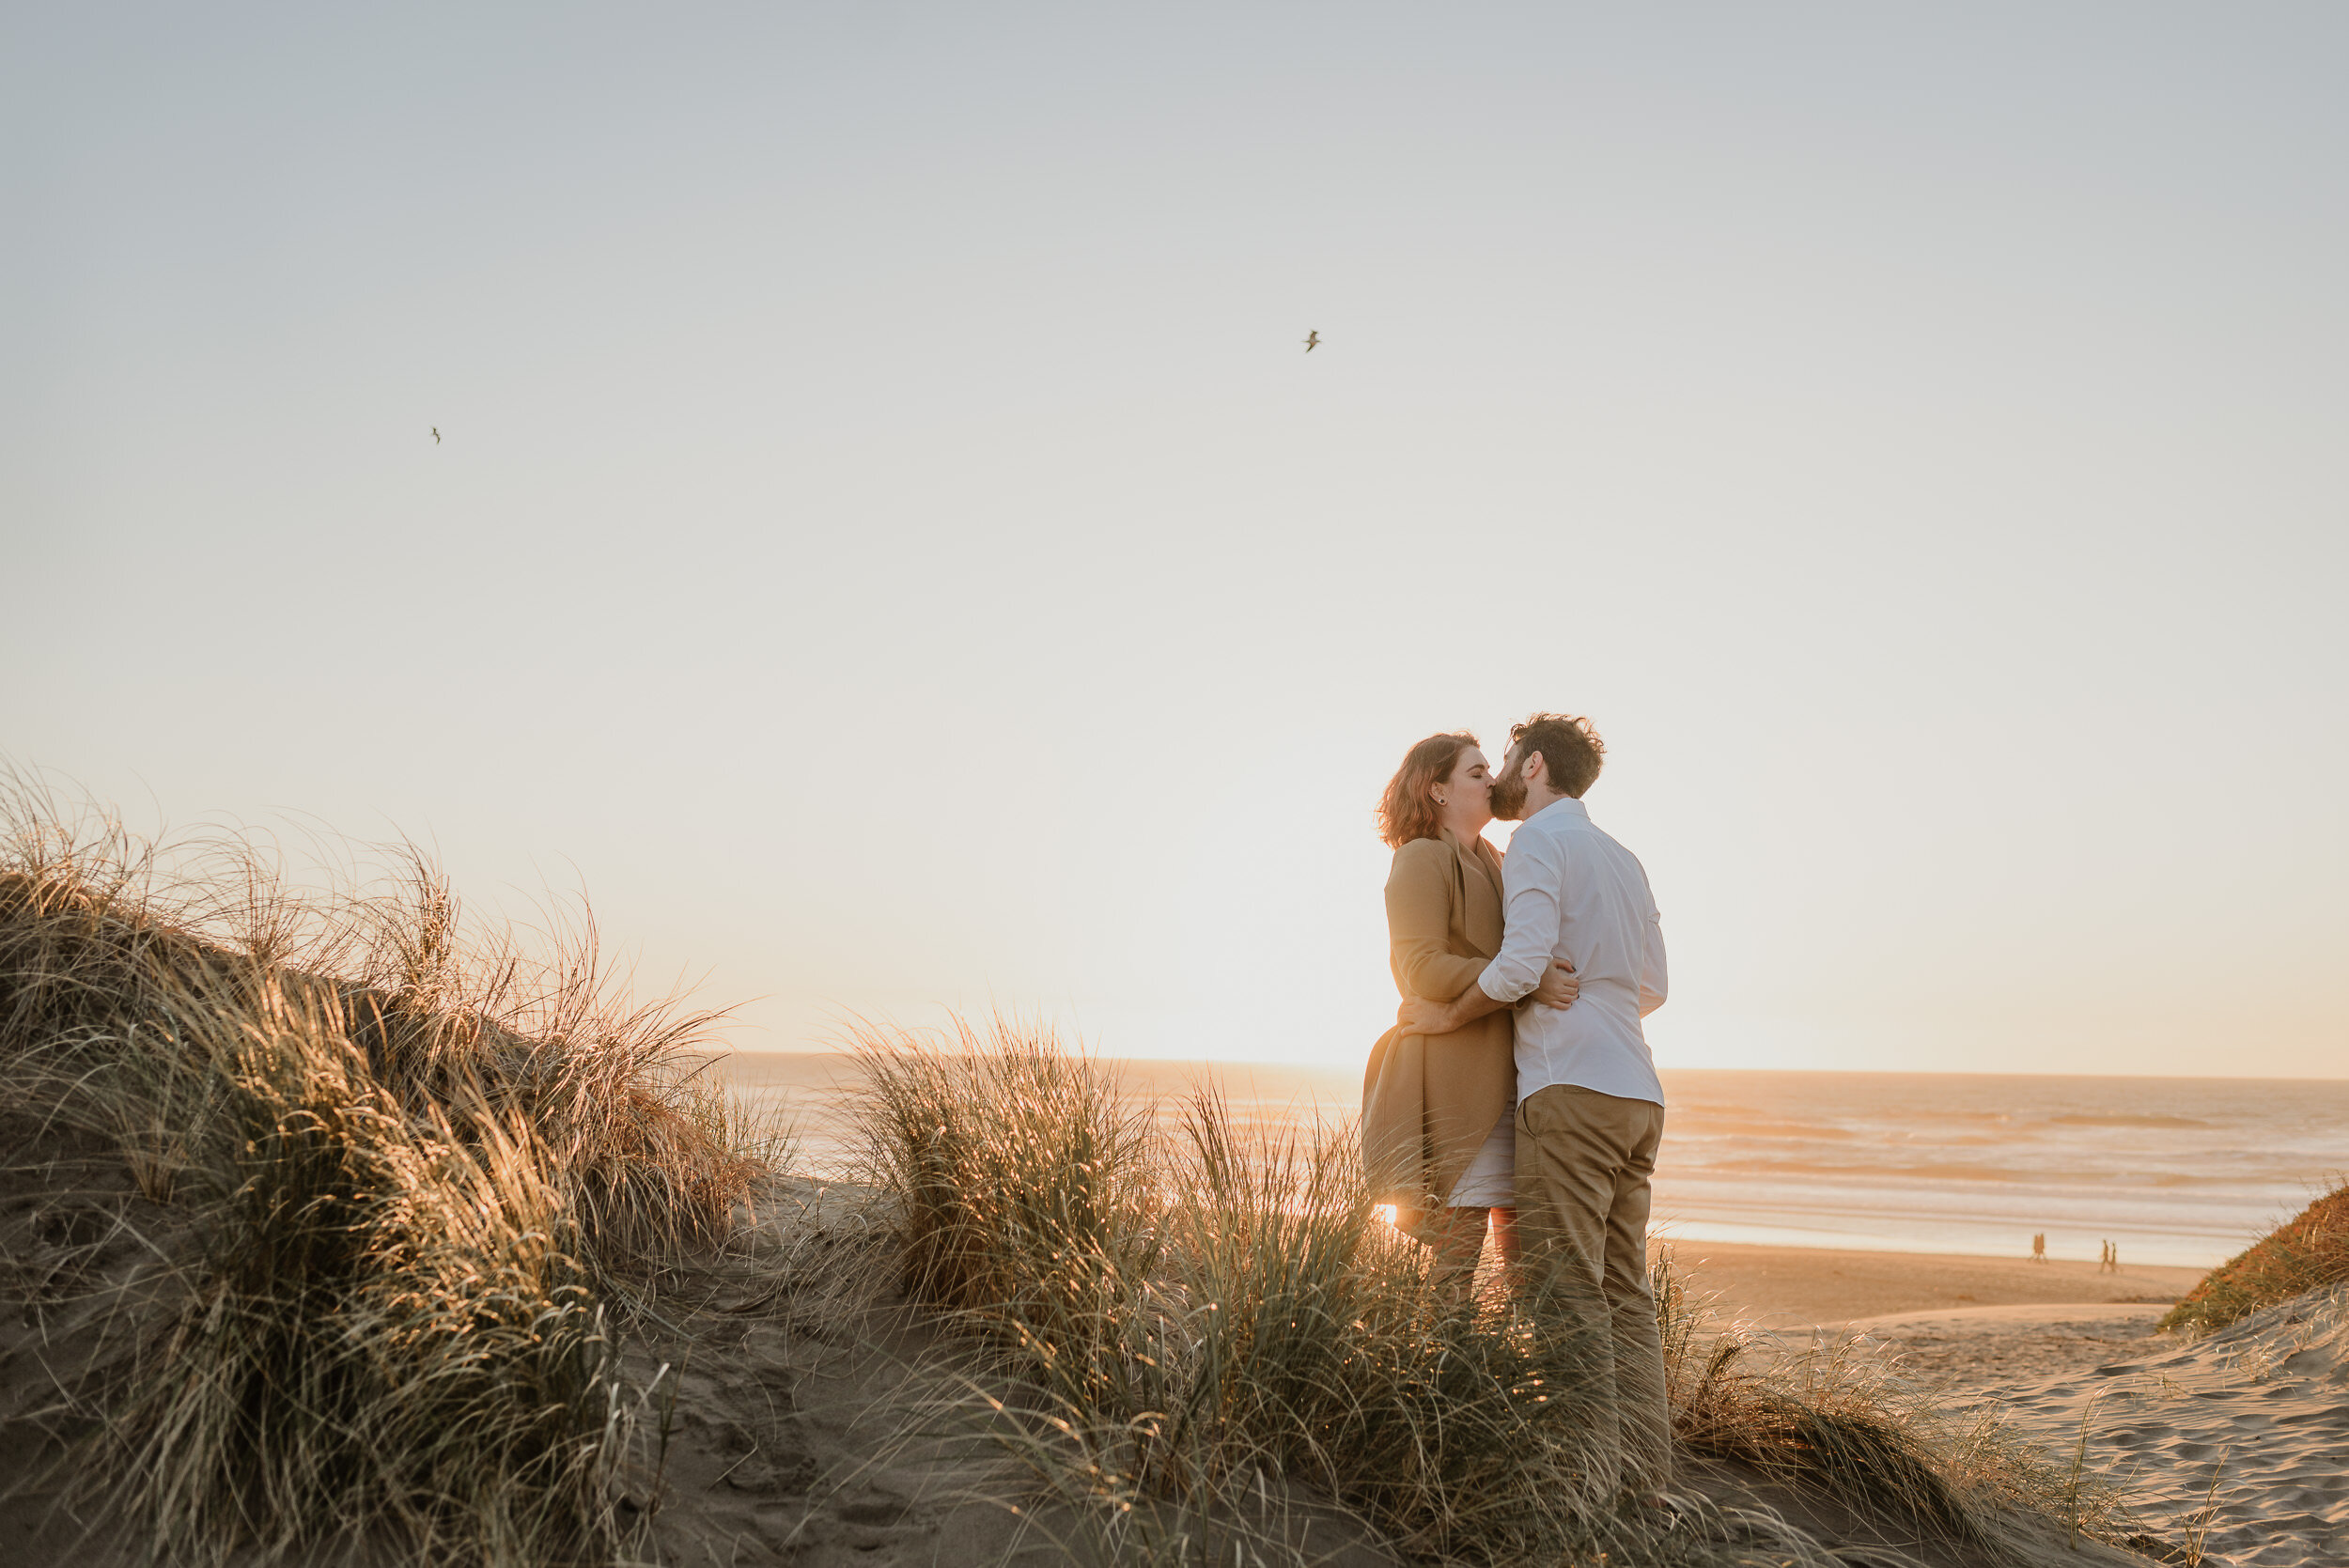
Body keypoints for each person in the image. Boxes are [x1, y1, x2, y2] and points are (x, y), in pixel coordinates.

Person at [1398, 713, 1672, 1496]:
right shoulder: (1624, 857)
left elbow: (1523, 961)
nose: (1502, 775)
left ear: (1537, 764)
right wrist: (1596, 1001)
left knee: (1565, 1288)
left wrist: (1451, 1015)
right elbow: (1653, 986)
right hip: (1638, 1093)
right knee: (1628, 1291)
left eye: (1508, 760)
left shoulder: (1537, 842)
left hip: (1569, 1091)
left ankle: (1586, 1483)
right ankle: (1646, 1478)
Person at [1361, 731, 1579, 1291]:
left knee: (1523, 1259)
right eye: (1477, 772)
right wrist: (1528, 984)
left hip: (1516, 1075)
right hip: (1456, 1075)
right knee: (1458, 1248)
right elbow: (1420, 968)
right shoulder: (1419, 858)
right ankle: (1433, 1374)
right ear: (1436, 790)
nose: (1492, 780)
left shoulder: (1501, 860)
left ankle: (1511, 1374)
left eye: (1490, 770)